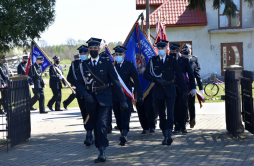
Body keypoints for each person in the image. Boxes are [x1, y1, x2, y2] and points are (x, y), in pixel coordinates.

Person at [76, 37, 128, 163]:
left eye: (95, 48)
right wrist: (84, 94)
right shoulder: (83, 65)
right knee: (95, 125)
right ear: (88, 50)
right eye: (91, 48)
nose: (93, 50)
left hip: (105, 98)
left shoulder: (107, 63)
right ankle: (100, 148)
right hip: (90, 99)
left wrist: (123, 100)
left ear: (99, 49)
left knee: (101, 124)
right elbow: (79, 83)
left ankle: (102, 151)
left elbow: (115, 82)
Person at [144, 40, 188, 146]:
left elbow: (179, 74)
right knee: (162, 114)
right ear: (157, 49)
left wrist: (185, 88)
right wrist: (156, 79)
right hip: (158, 89)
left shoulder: (172, 59)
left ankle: (169, 135)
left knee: (170, 112)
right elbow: (146, 74)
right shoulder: (153, 60)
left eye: (163, 48)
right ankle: (164, 134)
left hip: (170, 88)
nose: (161, 50)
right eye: (159, 48)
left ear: (166, 49)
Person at [111, 45, 143, 146]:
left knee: (125, 114)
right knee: (118, 116)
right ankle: (122, 131)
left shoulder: (129, 65)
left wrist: (140, 95)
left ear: (124, 55)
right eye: (116, 54)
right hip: (115, 94)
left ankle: (124, 134)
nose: (118, 56)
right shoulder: (112, 67)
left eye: (120, 54)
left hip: (126, 94)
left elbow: (136, 80)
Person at [66, 46, 94, 146]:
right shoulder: (74, 64)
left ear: (88, 53)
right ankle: (88, 131)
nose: (83, 55)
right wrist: (78, 83)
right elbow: (69, 77)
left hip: (90, 92)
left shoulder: (92, 63)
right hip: (80, 93)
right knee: (83, 113)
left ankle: (89, 134)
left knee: (89, 112)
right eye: (81, 53)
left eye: (84, 53)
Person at [171, 46, 196, 134]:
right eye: (171, 51)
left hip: (183, 88)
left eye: (174, 51)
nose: (172, 52)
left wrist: (193, 87)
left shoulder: (184, 60)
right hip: (172, 88)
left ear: (178, 52)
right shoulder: (168, 60)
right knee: (174, 108)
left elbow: (191, 74)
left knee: (182, 106)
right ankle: (176, 127)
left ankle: (183, 126)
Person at [182, 44, 204, 128]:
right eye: (184, 49)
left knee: (191, 103)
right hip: (183, 85)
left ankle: (192, 119)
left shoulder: (194, 59)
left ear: (191, 49)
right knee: (184, 104)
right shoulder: (180, 59)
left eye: (188, 49)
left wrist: (200, 88)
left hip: (191, 85)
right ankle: (186, 119)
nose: (186, 50)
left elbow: (197, 73)